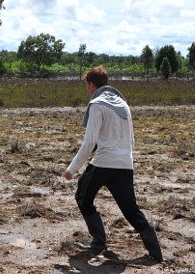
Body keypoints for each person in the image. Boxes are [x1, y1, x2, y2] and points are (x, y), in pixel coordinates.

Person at [62, 66, 163, 263]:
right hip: (125, 164)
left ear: (91, 84)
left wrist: (71, 169)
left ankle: (99, 242)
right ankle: (156, 254)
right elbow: (131, 140)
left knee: (83, 197)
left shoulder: (97, 104)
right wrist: (125, 158)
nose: (87, 89)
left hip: (103, 163)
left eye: (87, 85)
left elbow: (90, 143)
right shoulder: (123, 105)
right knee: (131, 209)